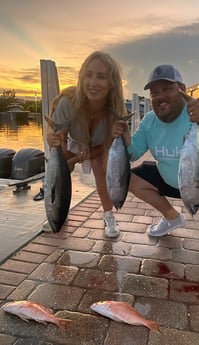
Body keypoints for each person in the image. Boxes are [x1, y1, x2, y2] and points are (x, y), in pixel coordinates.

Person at [112, 64, 199, 263]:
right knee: (126, 178)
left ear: (182, 90)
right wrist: (124, 134)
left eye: (167, 89)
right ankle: (172, 218)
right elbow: (132, 153)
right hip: (173, 178)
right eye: (154, 93)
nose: (160, 96)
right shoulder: (150, 121)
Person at [46, 51, 127, 238]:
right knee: (60, 166)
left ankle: (108, 215)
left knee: (101, 167)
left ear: (111, 82)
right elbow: (59, 136)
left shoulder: (114, 110)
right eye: (88, 75)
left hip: (99, 146)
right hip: (74, 140)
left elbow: (108, 146)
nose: (93, 83)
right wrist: (55, 141)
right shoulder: (67, 101)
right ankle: (58, 212)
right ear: (81, 78)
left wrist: (84, 156)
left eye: (101, 77)